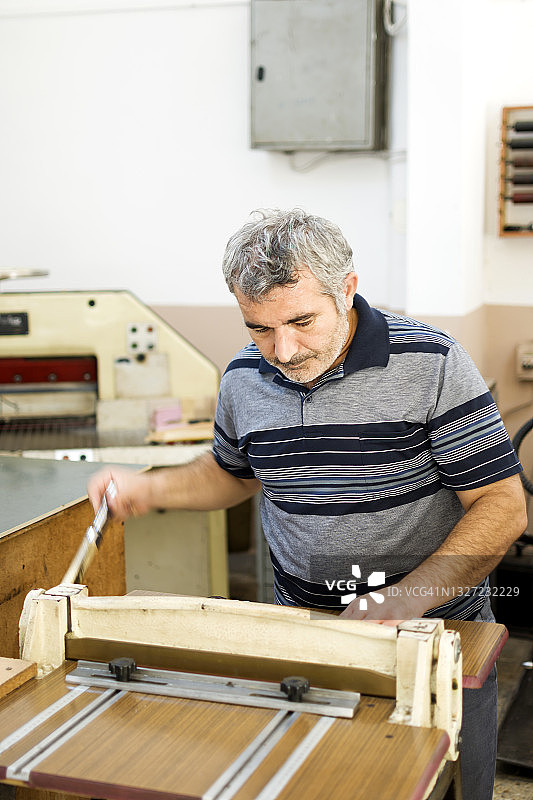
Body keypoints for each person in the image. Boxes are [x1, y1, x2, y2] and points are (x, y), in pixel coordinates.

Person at [88, 209, 526, 800]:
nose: (283, 350)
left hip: (438, 631)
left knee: (448, 784)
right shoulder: (245, 375)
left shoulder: (432, 364)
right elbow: (232, 473)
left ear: (346, 288)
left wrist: (404, 598)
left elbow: (502, 507)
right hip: (308, 630)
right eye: (259, 328)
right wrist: (150, 488)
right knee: (326, 782)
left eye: (301, 321)